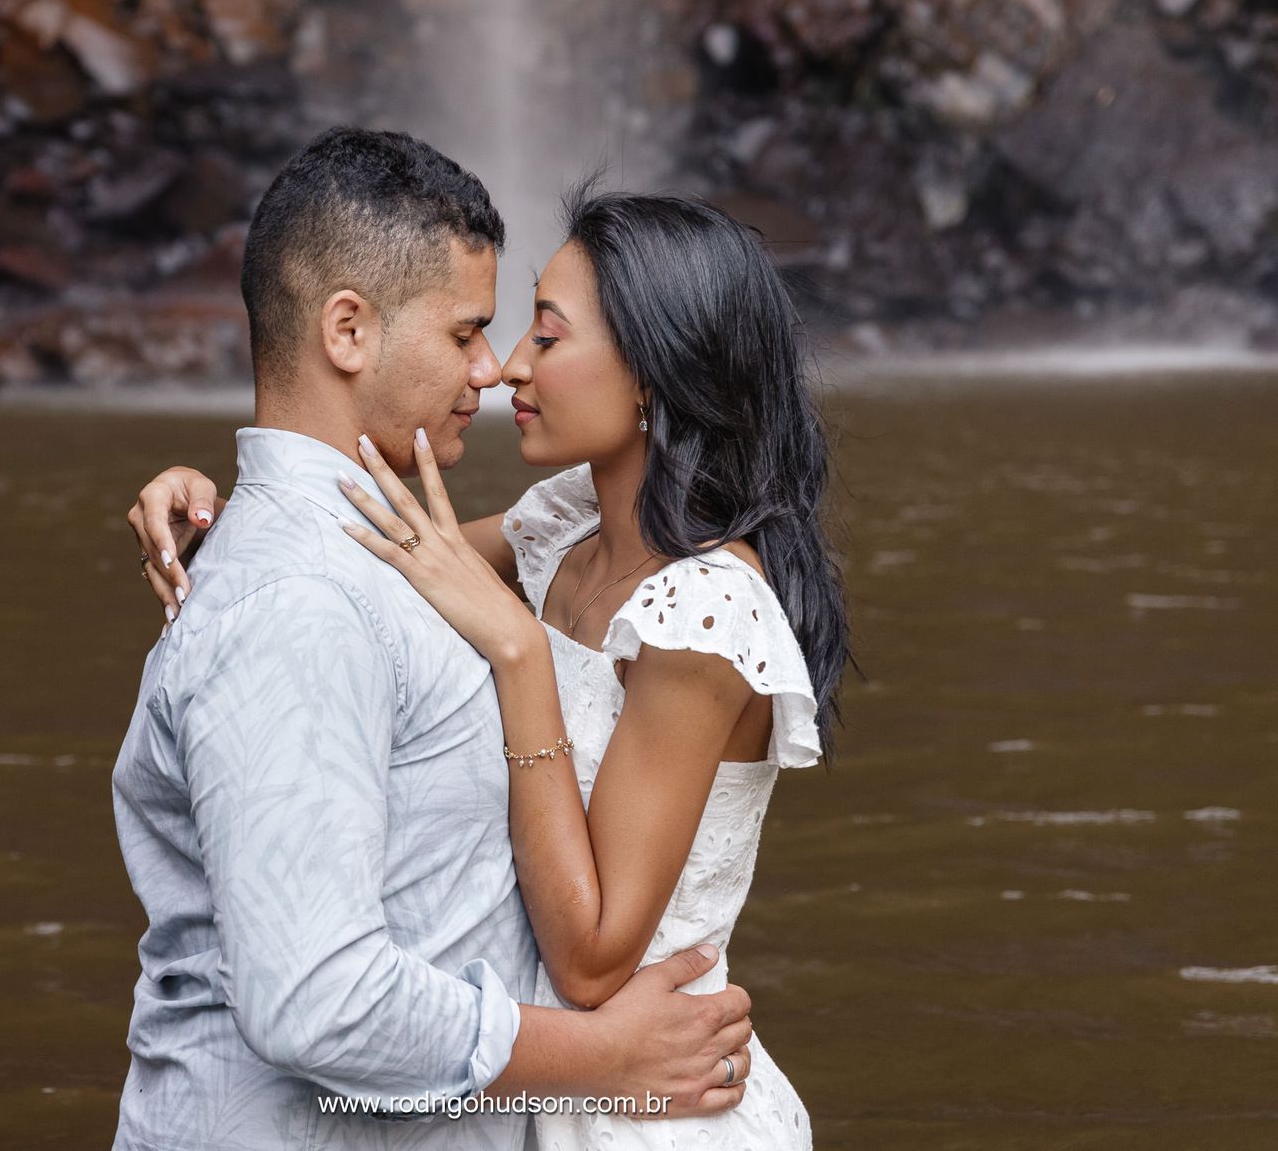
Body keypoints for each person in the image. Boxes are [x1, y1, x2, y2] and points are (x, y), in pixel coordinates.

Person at [128, 177, 850, 1149]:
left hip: (649, 1094)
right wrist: (214, 509)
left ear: (652, 372)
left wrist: (520, 657)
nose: (506, 367)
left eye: (544, 335)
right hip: (543, 1078)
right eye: (487, 332)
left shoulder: (701, 618)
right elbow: (355, 560)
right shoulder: (564, 522)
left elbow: (594, 959)